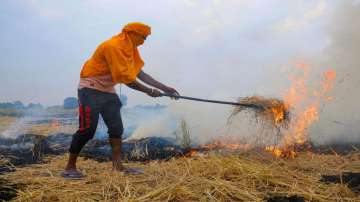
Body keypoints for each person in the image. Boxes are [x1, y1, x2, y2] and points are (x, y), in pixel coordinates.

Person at [61, 22, 179, 179]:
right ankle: (69, 167)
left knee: (117, 128)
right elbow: (126, 79)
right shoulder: (114, 46)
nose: (144, 41)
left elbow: (139, 73)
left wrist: (165, 88)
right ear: (132, 33)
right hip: (90, 87)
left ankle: (118, 167)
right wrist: (149, 91)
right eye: (143, 37)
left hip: (107, 90)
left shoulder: (130, 49)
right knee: (87, 129)